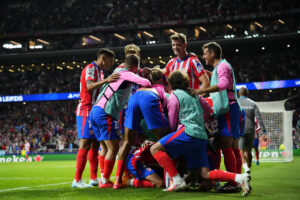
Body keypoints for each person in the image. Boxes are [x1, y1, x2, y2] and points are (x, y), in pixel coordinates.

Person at [150, 71, 251, 196]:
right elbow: (208, 111)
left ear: (171, 83)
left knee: (155, 149)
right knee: (204, 174)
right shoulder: (195, 94)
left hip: (187, 132)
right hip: (202, 137)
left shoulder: (174, 95)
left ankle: (176, 180)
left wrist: (167, 136)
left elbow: (172, 122)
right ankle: (239, 178)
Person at [90, 54, 151, 188]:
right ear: (136, 66)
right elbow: (146, 83)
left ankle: (103, 178)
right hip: (105, 112)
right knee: (114, 147)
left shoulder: (117, 71)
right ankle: (105, 181)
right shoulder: (126, 73)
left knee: (105, 147)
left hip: (95, 110)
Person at [191, 42, 243, 192]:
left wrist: (202, 91)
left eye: (205, 53)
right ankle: (236, 179)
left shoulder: (222, 66)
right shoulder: (220, 67)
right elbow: (215, 77)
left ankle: (234, 183)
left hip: (228, 108)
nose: (203, 56)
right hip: (229, 108)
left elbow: (224, 83)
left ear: (213, 53)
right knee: (230, 146)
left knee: (227, 145)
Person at [113, 67, 169, 189]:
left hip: (133, 98)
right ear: (161, 79)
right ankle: (170, 179)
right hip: (149, 97)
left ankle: (118, 180)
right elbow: (166, 109)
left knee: (127, 142)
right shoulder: (161, 89)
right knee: (164, 140)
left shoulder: (141, 87)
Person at [72, 48, 119, 188]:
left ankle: (93, 178)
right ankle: (77, 180)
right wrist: (107, 80)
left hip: (94, 110)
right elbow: (89, 86)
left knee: (95, 144)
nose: (112, 64)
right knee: (85, 143)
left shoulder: (100, 71)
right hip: (86, 108)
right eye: (110, 61)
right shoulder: (91, 68)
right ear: (103, 58)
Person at [238, 87, 267, 170]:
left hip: (240, 130)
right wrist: (264, 133)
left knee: (241, 151)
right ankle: (248, 170)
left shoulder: (236, 103)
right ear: (247, 94)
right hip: (251, 130)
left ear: (239, 94)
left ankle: (245, 170)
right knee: (249, 151)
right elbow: (259, 119)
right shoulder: (253, 104)